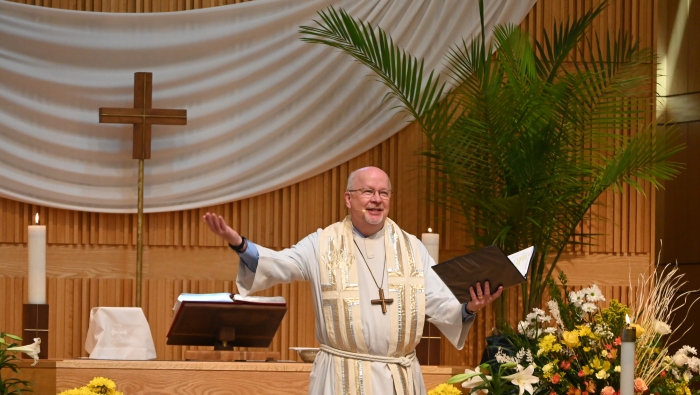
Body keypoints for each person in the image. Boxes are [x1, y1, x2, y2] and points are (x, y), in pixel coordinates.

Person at [203, 166, 502, 395]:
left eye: (384, 193)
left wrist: (468, 309)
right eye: (367, 192)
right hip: (341, 375)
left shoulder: (412, 248)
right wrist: (239, 243)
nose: (376, 200)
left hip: (399, 378)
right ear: (348, 198)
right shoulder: (322, 244)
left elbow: (437, 301)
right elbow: (281, 264)